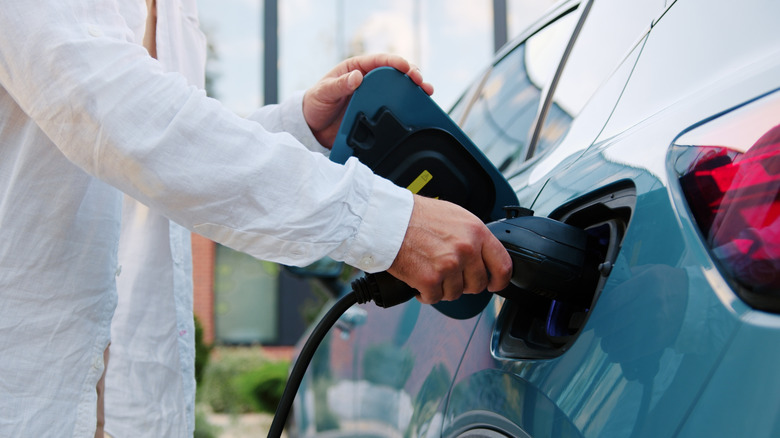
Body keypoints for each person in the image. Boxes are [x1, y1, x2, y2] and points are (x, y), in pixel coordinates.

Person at [0, 1, 512, 437]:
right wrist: (389, 224)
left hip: (124, 400)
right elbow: (119, 118)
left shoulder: (177, 13)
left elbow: (155, 168)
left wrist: (299, 129)